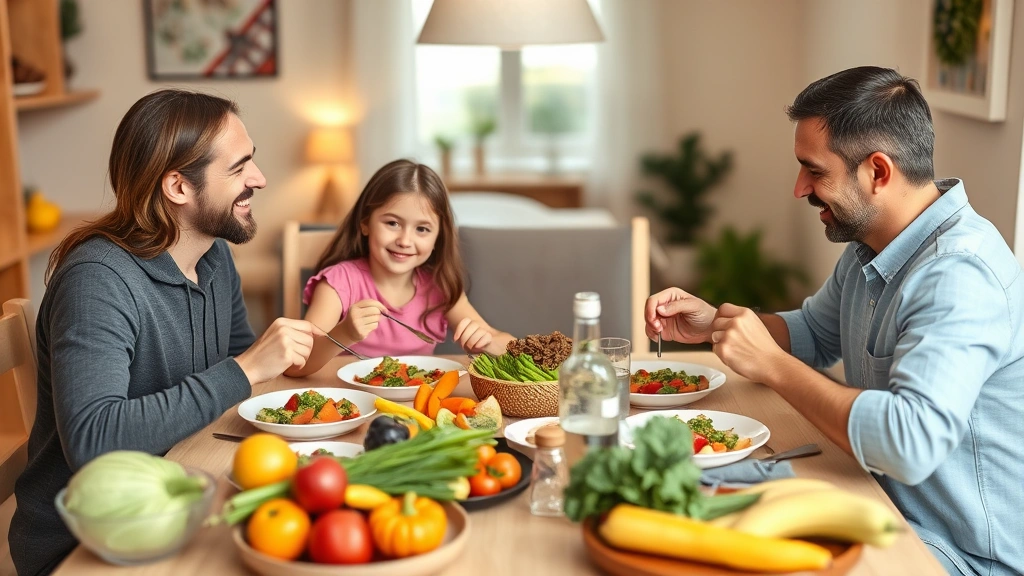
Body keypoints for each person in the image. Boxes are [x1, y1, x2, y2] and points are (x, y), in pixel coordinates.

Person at [645, 67, 1023, 576]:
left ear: (878, 172)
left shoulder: (958, 275)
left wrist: (773, 366)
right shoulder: (873, 242)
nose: (800, 188)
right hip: (876, 500)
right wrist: (716, 323)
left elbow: (909, 442)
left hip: (963, 555)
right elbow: (815, 334)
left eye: (815, 171)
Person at [9, 90, 323, 576]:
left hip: (184, 493)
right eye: (239, 168)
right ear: (178, 187)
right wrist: (245, 368)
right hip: (92, 542)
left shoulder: (212, 256)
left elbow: (243, 366)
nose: (259, 179)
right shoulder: (97, 282)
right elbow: (94, 438)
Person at [286, 159, 514, 376]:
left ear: (438, 237)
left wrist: (489, 341)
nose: (405, 240)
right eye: (392, 223)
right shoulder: (339, 283)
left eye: (422, 229)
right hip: (351, 405)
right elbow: (296, 364)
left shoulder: (440, 288)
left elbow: (508, 345)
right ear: (365, 223)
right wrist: (344, 333)